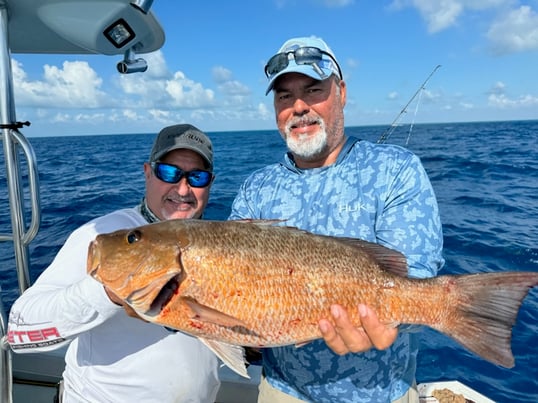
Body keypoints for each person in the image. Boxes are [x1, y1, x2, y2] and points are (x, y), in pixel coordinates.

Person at [229, 36, 445, 402]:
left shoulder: (395, 170)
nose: (298, 107)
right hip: (282, 391)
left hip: (382, 393)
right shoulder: (256, 189)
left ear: (341, 92)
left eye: (313, 90)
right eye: (284, 97)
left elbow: (418, 275)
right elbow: (231, 285)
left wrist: (391, 314)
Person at [7, 124, 220, 402]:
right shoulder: (106, 236)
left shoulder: (217, 244)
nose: (182, 188)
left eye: (197, 177)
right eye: (168, 172)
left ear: (210, 183)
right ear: (147, 172)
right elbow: (20, 331)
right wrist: (107, 293)